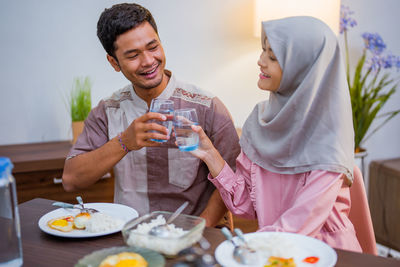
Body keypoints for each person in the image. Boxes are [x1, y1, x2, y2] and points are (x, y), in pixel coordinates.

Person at [190, 16, 362, 251]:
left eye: (272, 56)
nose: (260, 61)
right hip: (273, 249)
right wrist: (210, 154)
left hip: (325, 253)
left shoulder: (328, 138)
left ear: (303, 68)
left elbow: (298, 228)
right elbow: (245, 206)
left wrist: (240, 250)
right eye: (263, 51)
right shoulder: (260, 120)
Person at [61, 3, 240, 227]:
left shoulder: (206, 106)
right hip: (131, 238)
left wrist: (197, 230)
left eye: (152, 47)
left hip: (196, 238)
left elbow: (234, 178)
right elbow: (70, 180)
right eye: (133, 55)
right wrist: (124, 142)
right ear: (113, 62)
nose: (148, 61)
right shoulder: (107, 111)